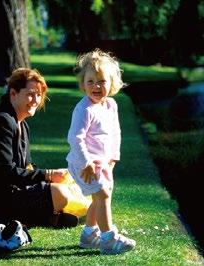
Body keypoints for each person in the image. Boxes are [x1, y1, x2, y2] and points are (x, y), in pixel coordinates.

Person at [0, 68, 77, 228]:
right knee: (59, 193)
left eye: (39, 94)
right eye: (30, 93)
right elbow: (5, 171)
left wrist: (54, 175)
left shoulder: (22, 124)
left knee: (69, 188)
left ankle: (45, 216)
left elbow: (25, 168)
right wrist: (47, 175)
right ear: (13, 94)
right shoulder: (2, 121)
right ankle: (42, 217)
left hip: (8, 192)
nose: (36, 100)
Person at [66, 49, 136, 255]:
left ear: (112, 83)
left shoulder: (111, 105)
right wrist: (86, 162)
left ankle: (89, 235)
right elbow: (75, 138)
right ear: (83, 83)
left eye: (102, 81)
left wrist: (113, 157)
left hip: (103, 162)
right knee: (102, 195)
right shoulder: (84, 109)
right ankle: (108, 238)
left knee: (102, 197)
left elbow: (115, 132)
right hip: (84, 162)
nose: (96, 86)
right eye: (90, 81)